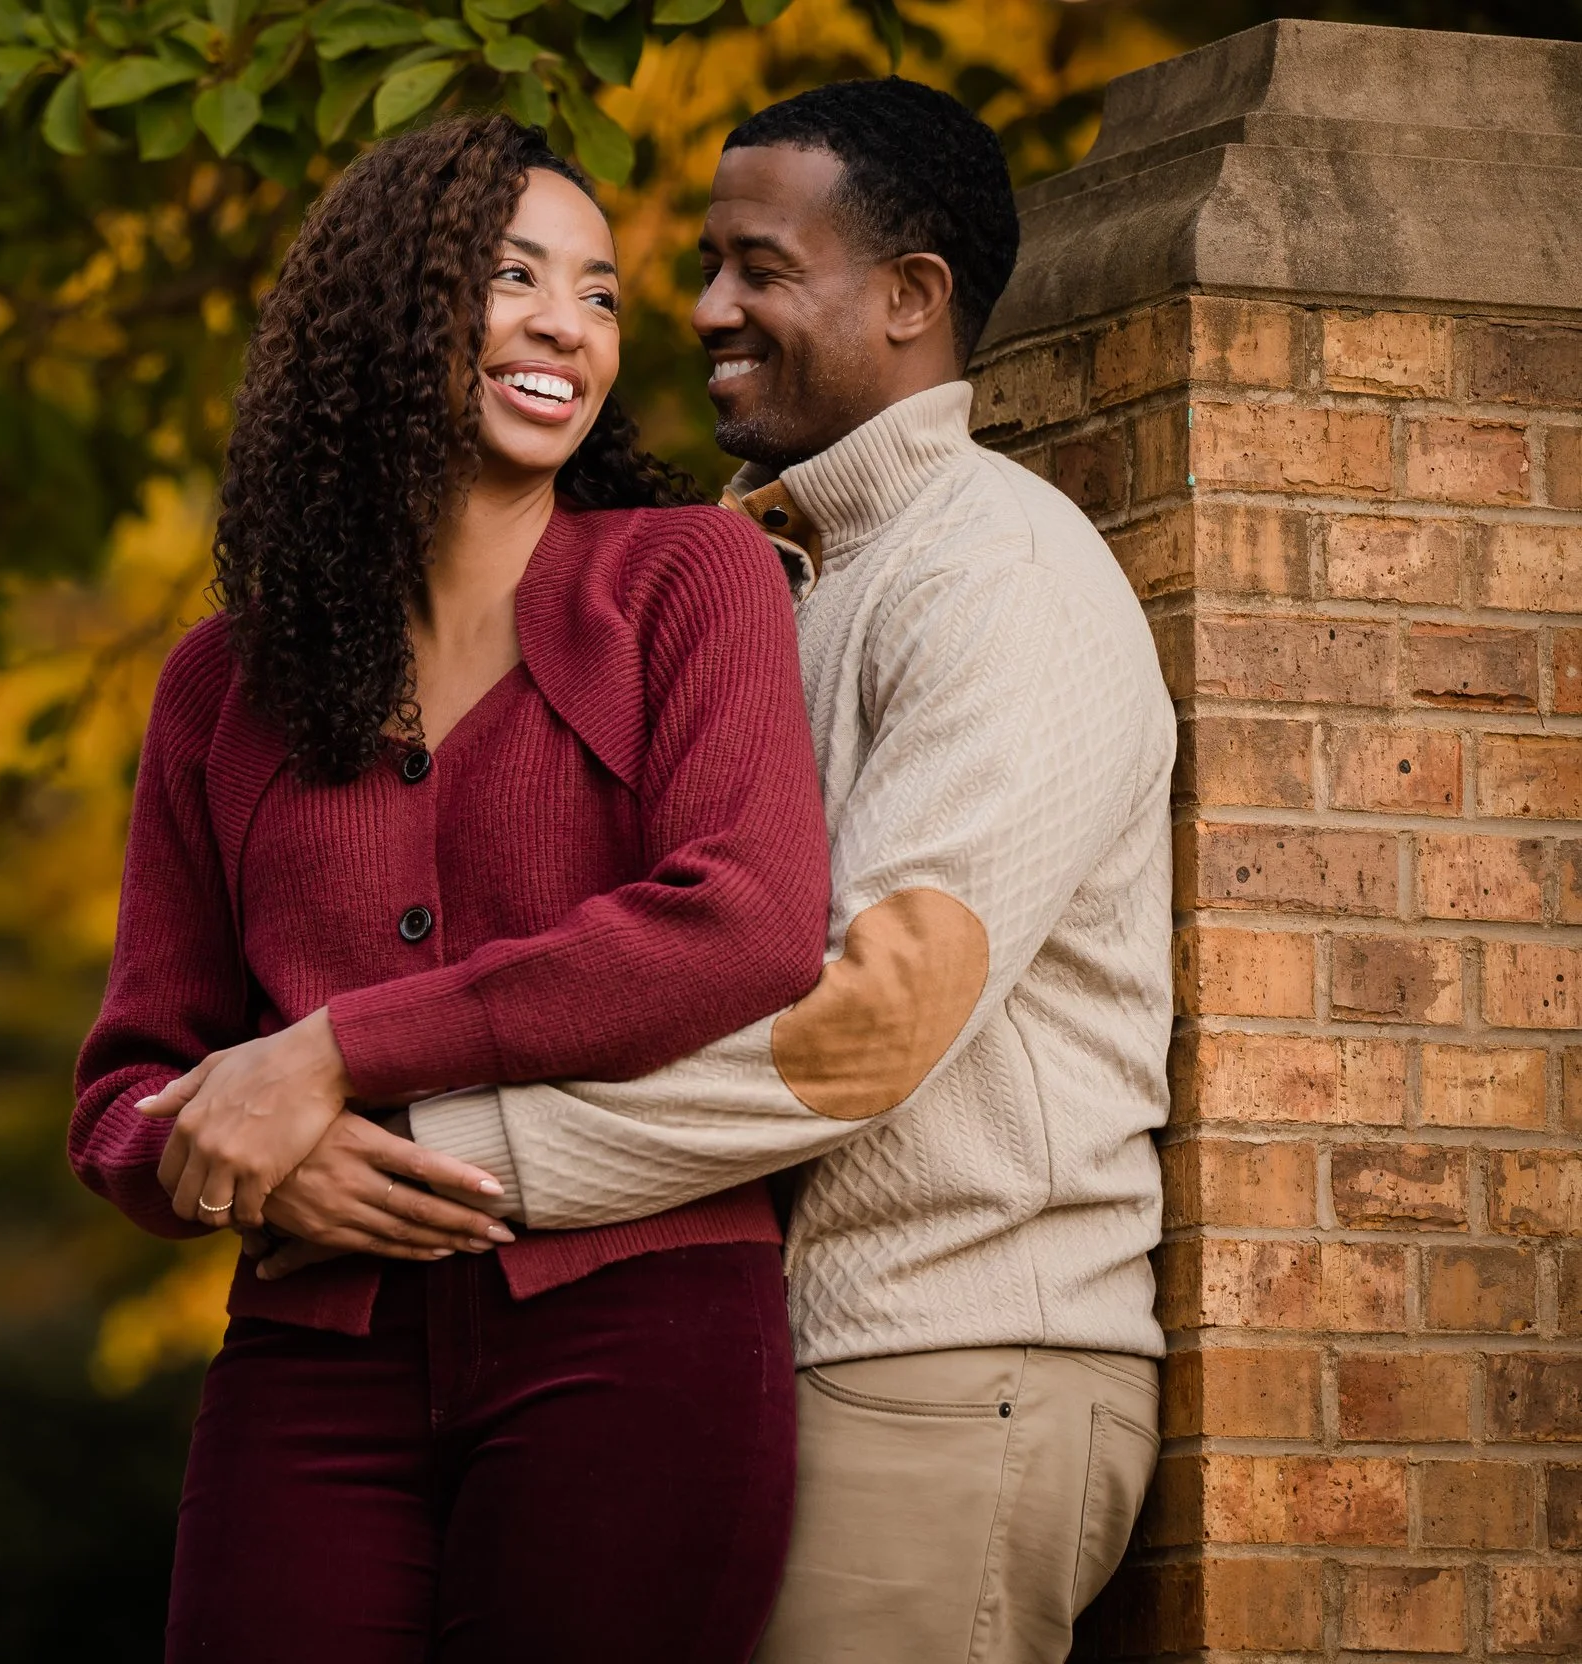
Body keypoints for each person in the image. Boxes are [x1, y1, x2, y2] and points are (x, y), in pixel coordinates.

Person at [397, 79, 1176, 1664]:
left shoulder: (998, 579)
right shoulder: (758, 578)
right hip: (750, 1364)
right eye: (702, 266)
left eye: (759, 267)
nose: (702, 310)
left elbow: (873, 1019)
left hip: (948, 1371)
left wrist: (453, 1165)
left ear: (908, 298)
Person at [69, 115, 831, 1663]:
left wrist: (338, 1050)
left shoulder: (687, 580)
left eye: (604, 293)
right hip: (310, 1363)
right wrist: (257, 1164)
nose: (570, 323)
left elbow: (744, 917)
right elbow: (125, 1096)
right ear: (387, 315)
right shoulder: (223, 686)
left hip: (640, 1330)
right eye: (513, 277)